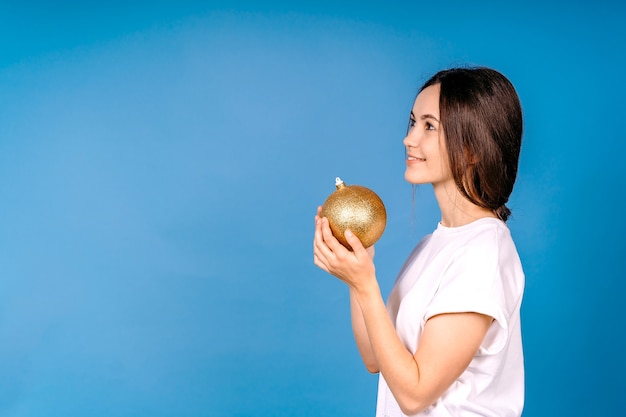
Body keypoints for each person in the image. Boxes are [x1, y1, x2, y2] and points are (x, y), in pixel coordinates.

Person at [313, 67, 525, 417]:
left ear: (473, 148)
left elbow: (414, 395)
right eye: (412, 122)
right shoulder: (431, 245)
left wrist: (365, 284)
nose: (409, 139)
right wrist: (356, 271)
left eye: (429, 126)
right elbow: (374, 358)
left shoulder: (484, 252)